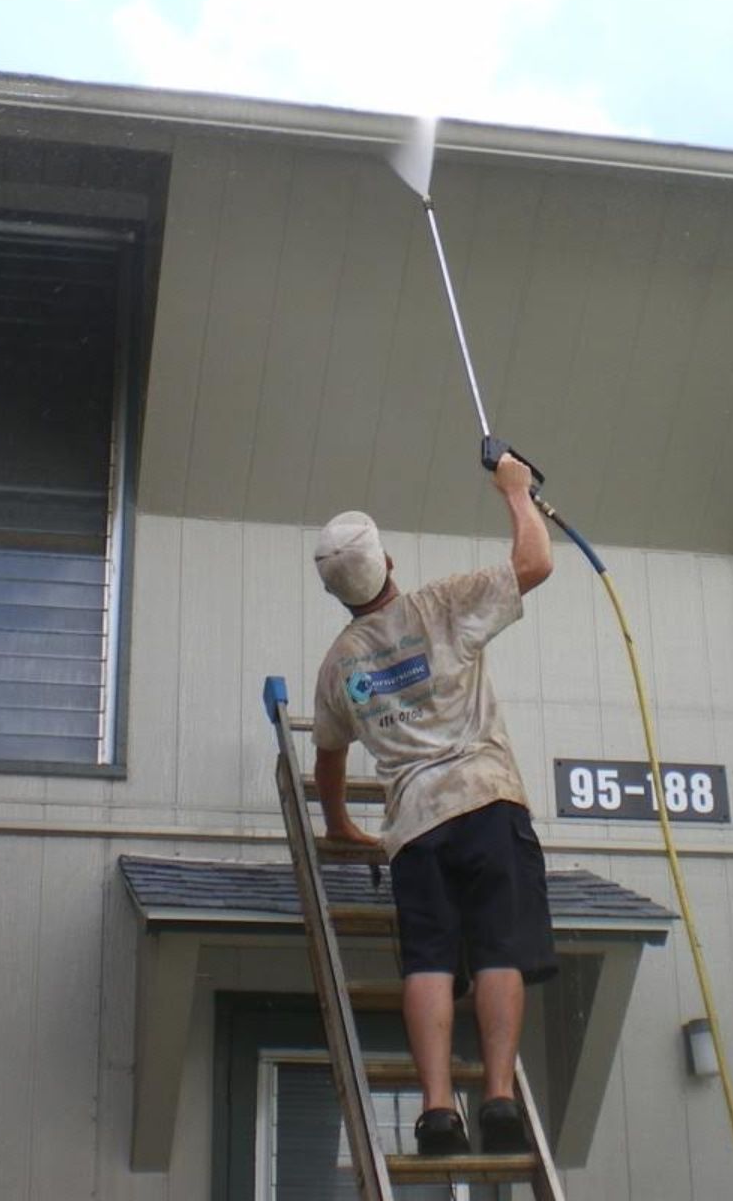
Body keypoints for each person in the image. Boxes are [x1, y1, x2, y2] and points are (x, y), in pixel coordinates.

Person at [311, 452, 556, 1158]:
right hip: (486, 799)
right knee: (499, 948)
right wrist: (517, 493)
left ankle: (438, 1112)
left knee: (428, 963)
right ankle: (499, 1099)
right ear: (387, 561)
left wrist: (342, 826)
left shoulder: (339, 665)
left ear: (335, 591)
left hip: (415, 826)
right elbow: (535, 563)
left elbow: (328, 759)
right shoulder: (442, 607)